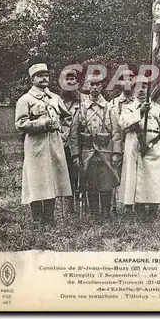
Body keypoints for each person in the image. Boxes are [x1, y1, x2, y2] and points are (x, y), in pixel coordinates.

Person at [15, 61, 72, 228]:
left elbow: (67, 118)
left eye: (46, 75)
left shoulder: (54, 98)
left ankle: (50, 217)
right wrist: (42, 123)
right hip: (36, 146)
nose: (44, 78)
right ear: (32, 79)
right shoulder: (25, 99)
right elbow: (20, 123)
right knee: (37, 181)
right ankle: (38, 219)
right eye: (40, 76)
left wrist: (63, 134)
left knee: (52, 179)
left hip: (54, 144)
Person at [118, 75, 160, 222]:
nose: (141, 90)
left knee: (153, 179)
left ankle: (153, 211)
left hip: (154, 146)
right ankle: (138, 209)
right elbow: (123, 123)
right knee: (136, 179)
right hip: (134, 145)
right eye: (137, 86)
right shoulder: (128, 107)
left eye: (144, 87)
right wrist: (140, 112)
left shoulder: (159, 108)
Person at [69, 81, 122, 220]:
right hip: (88, 153)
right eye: (92, 85)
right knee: (90, 183)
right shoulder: (80, 109)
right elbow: (74, 134)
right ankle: (94, 212)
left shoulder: (110, 109)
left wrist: (116, 153)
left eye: (98, 85)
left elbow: (117, 133)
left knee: (106, 183)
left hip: (106, 153)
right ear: (87, 87)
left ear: (102, 87)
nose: (94, 88)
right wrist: (75, 155)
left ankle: (106, 211)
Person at [60, 69, 87, 214]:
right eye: (67, 79)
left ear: (78, 82)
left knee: (83, 174)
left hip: (82, 144)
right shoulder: (58, 101)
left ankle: (85, 205)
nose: (70, 82)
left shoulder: (85, 100)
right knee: (67, 174)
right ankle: (70, 207)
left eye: (73, 79)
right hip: (63, 144)